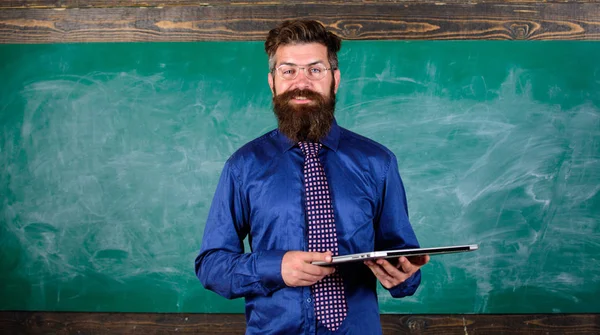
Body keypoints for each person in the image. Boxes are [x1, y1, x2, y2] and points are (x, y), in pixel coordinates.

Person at [195, 20, 429, 334]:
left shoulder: (378, 162)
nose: (301, 82)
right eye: (288, 71)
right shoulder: (243, 166)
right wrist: (275, 268)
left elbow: (403, 262)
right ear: (272, 82)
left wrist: (405, 276)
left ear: (335, 79)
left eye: (315, 70)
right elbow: (211, 265)